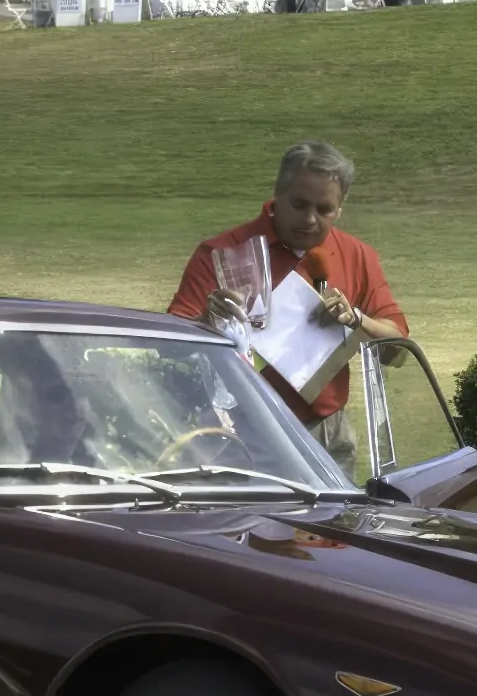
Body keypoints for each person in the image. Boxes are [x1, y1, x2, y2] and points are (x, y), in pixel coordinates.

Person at [169, 140, 408, 474]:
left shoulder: (357, 256)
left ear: (340, 208)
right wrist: (207, 321)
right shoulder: (222, 253)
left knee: (327, 528)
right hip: (237, 432)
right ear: (277, 196)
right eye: (299, 204)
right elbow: (170, 347)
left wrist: (356, 318)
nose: (310, 219)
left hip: (325, 431)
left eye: (324, 209)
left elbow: (398, 351)